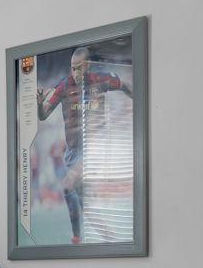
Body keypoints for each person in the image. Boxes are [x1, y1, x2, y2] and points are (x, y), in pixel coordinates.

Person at [36, 46, 133, 244]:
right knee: (82, 203)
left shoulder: (101, 80)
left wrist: (139, 99)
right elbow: (43, 114)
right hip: (72, 153)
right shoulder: (64, 86)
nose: (76, 72)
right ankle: (101, 237)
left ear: (88, 66)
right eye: (73, 68)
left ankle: (77, 238)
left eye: (79, 68)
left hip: (94, 148)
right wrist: (39, 103)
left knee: (67, 185)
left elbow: (124, 85)